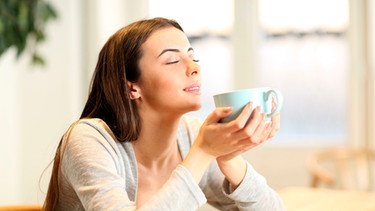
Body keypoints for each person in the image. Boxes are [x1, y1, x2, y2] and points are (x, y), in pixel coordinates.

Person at [43, 17, 285, 211]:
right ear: (132, 87)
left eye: (193, 57)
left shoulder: (190, 136)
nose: (195, 68)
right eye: (172, 61)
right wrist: (203, 152)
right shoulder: (89, 139)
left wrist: (230, 159)